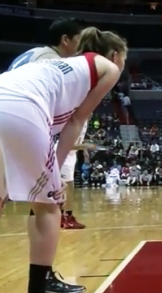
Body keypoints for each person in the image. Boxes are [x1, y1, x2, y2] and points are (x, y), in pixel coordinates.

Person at [0, 26, 126, 293]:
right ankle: (41, 285)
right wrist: (54, 173)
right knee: (48, 203)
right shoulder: (109, 68)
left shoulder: (65, 64)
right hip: (22, 106)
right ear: (115, 54)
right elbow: (76, 121)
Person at [9, 18, 92, 231]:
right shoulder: (51, 62)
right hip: (17, 118)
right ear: (65, 40)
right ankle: (42, 263)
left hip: (8, 114)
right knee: (47, 201)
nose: (82, 49)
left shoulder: (35, 54)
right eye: (79, 41)